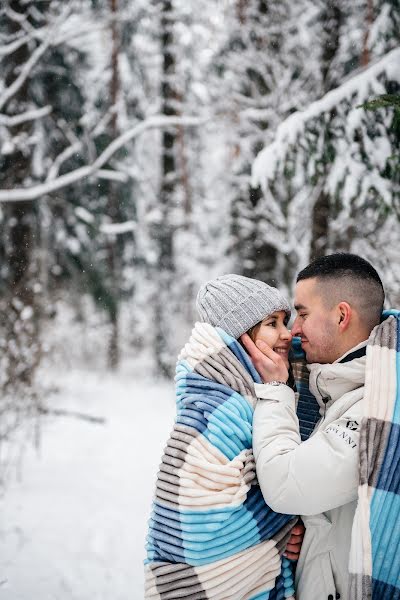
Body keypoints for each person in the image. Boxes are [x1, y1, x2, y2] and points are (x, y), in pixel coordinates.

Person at [144, 274, 303, 600]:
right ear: (239, 337)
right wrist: (282, 526)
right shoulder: (215, 403)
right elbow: (199, 520)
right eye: (271, 323)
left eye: (285, 321)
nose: (287, 334)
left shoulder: (255, 393)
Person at [241, 253, 385, 600]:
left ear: (341, 315)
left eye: (302, 313)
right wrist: (315, 529)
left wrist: (275, 390)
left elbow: (284, 484)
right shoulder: (336, 389)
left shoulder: (376, 408)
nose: (293, 331)